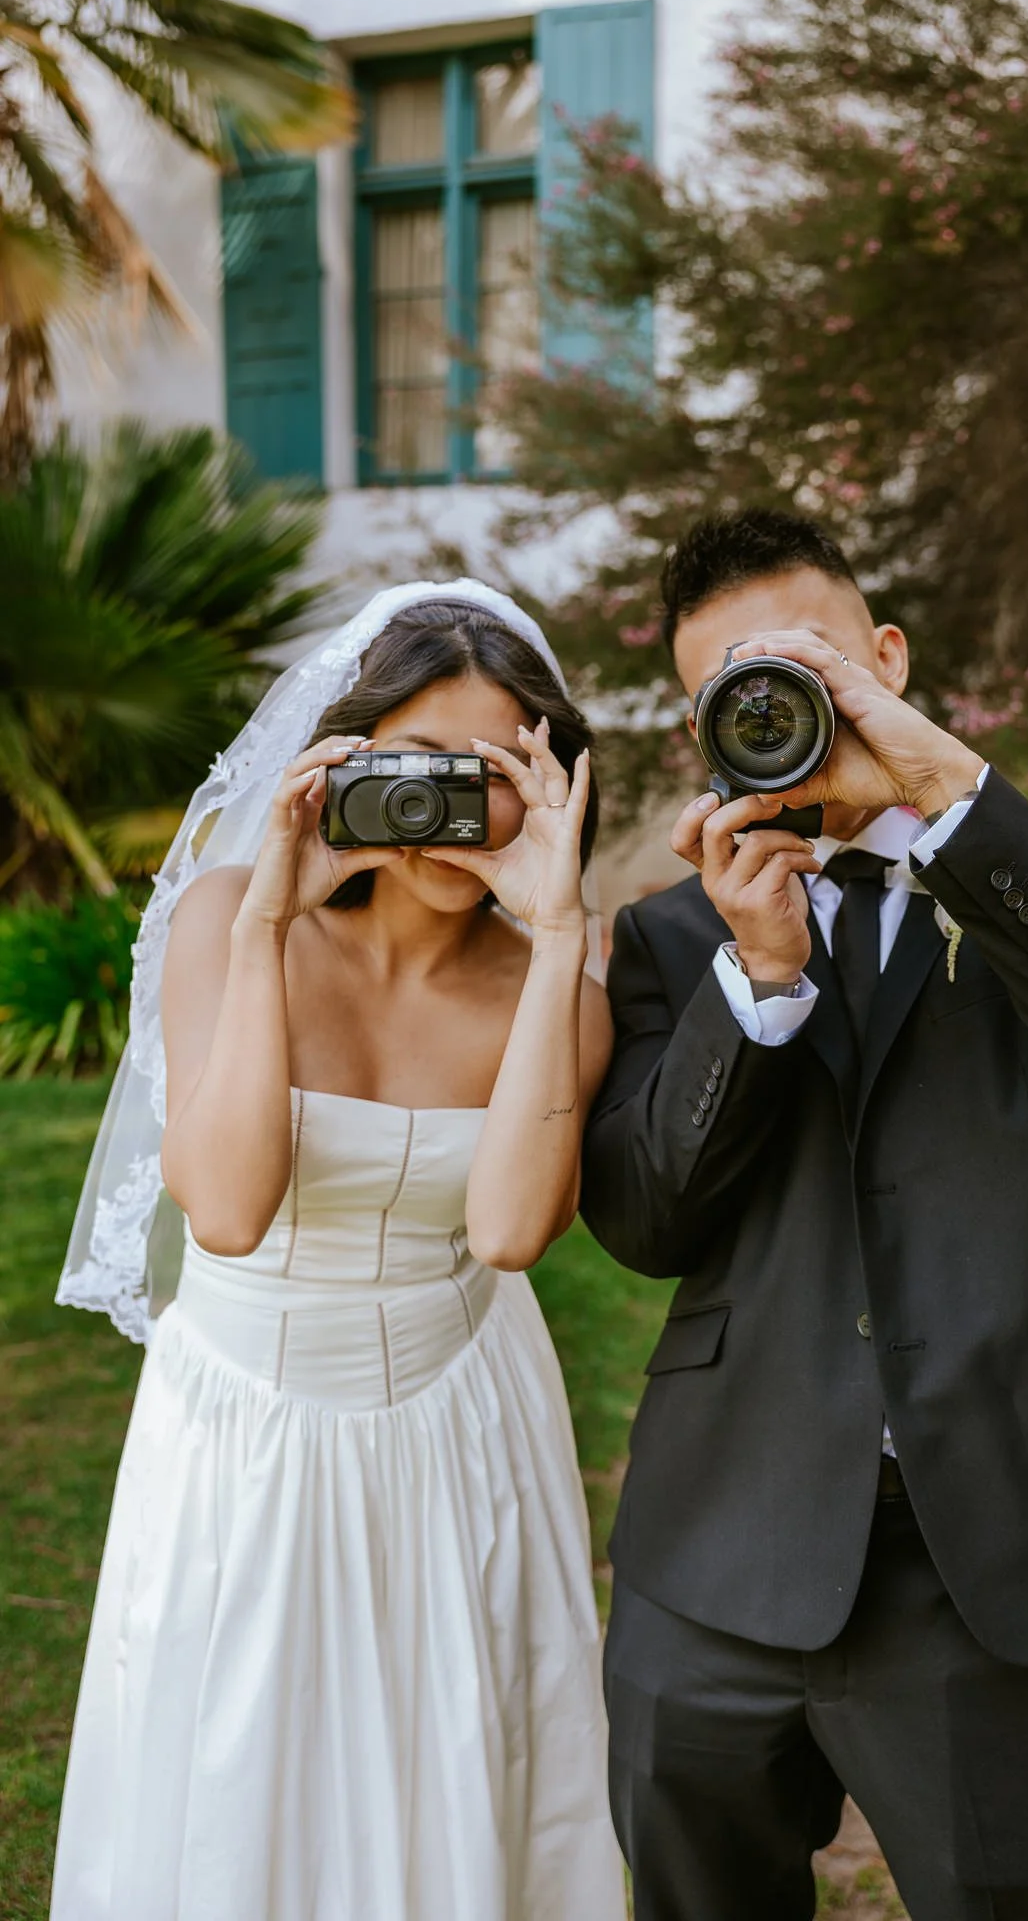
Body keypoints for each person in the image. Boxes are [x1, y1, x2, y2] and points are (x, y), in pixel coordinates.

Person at [582, 509, 1028, 1921]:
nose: (780, 708)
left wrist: (951, 796)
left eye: (812, 670)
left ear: (886, 658)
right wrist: (759, 981)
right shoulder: (673, 938)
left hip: (999, 1539)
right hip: (721, 1545)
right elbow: (647, 1218)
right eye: (736, 690)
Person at [51, 584, 627, 1921]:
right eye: (411, 765)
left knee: (468, 1770)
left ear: (554, 782)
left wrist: (553, 941)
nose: (449, 808)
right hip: (242, 1429)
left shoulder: (561, 974)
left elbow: (509, 1229)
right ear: (339, 761)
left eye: (490, 771)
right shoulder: (226, 923)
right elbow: (232, 1211)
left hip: (463, 1423)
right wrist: (263, 923)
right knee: (234, 1781)